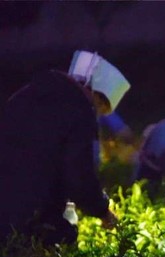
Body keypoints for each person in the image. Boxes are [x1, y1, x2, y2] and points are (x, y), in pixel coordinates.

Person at [0, 50, 128, 245]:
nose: (98, 114)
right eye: (101, 108)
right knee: (60, 242)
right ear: (96, 95)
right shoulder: (79, 110)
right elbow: (79, 175)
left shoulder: (25, 94)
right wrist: (102, 210)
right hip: (30, 216)